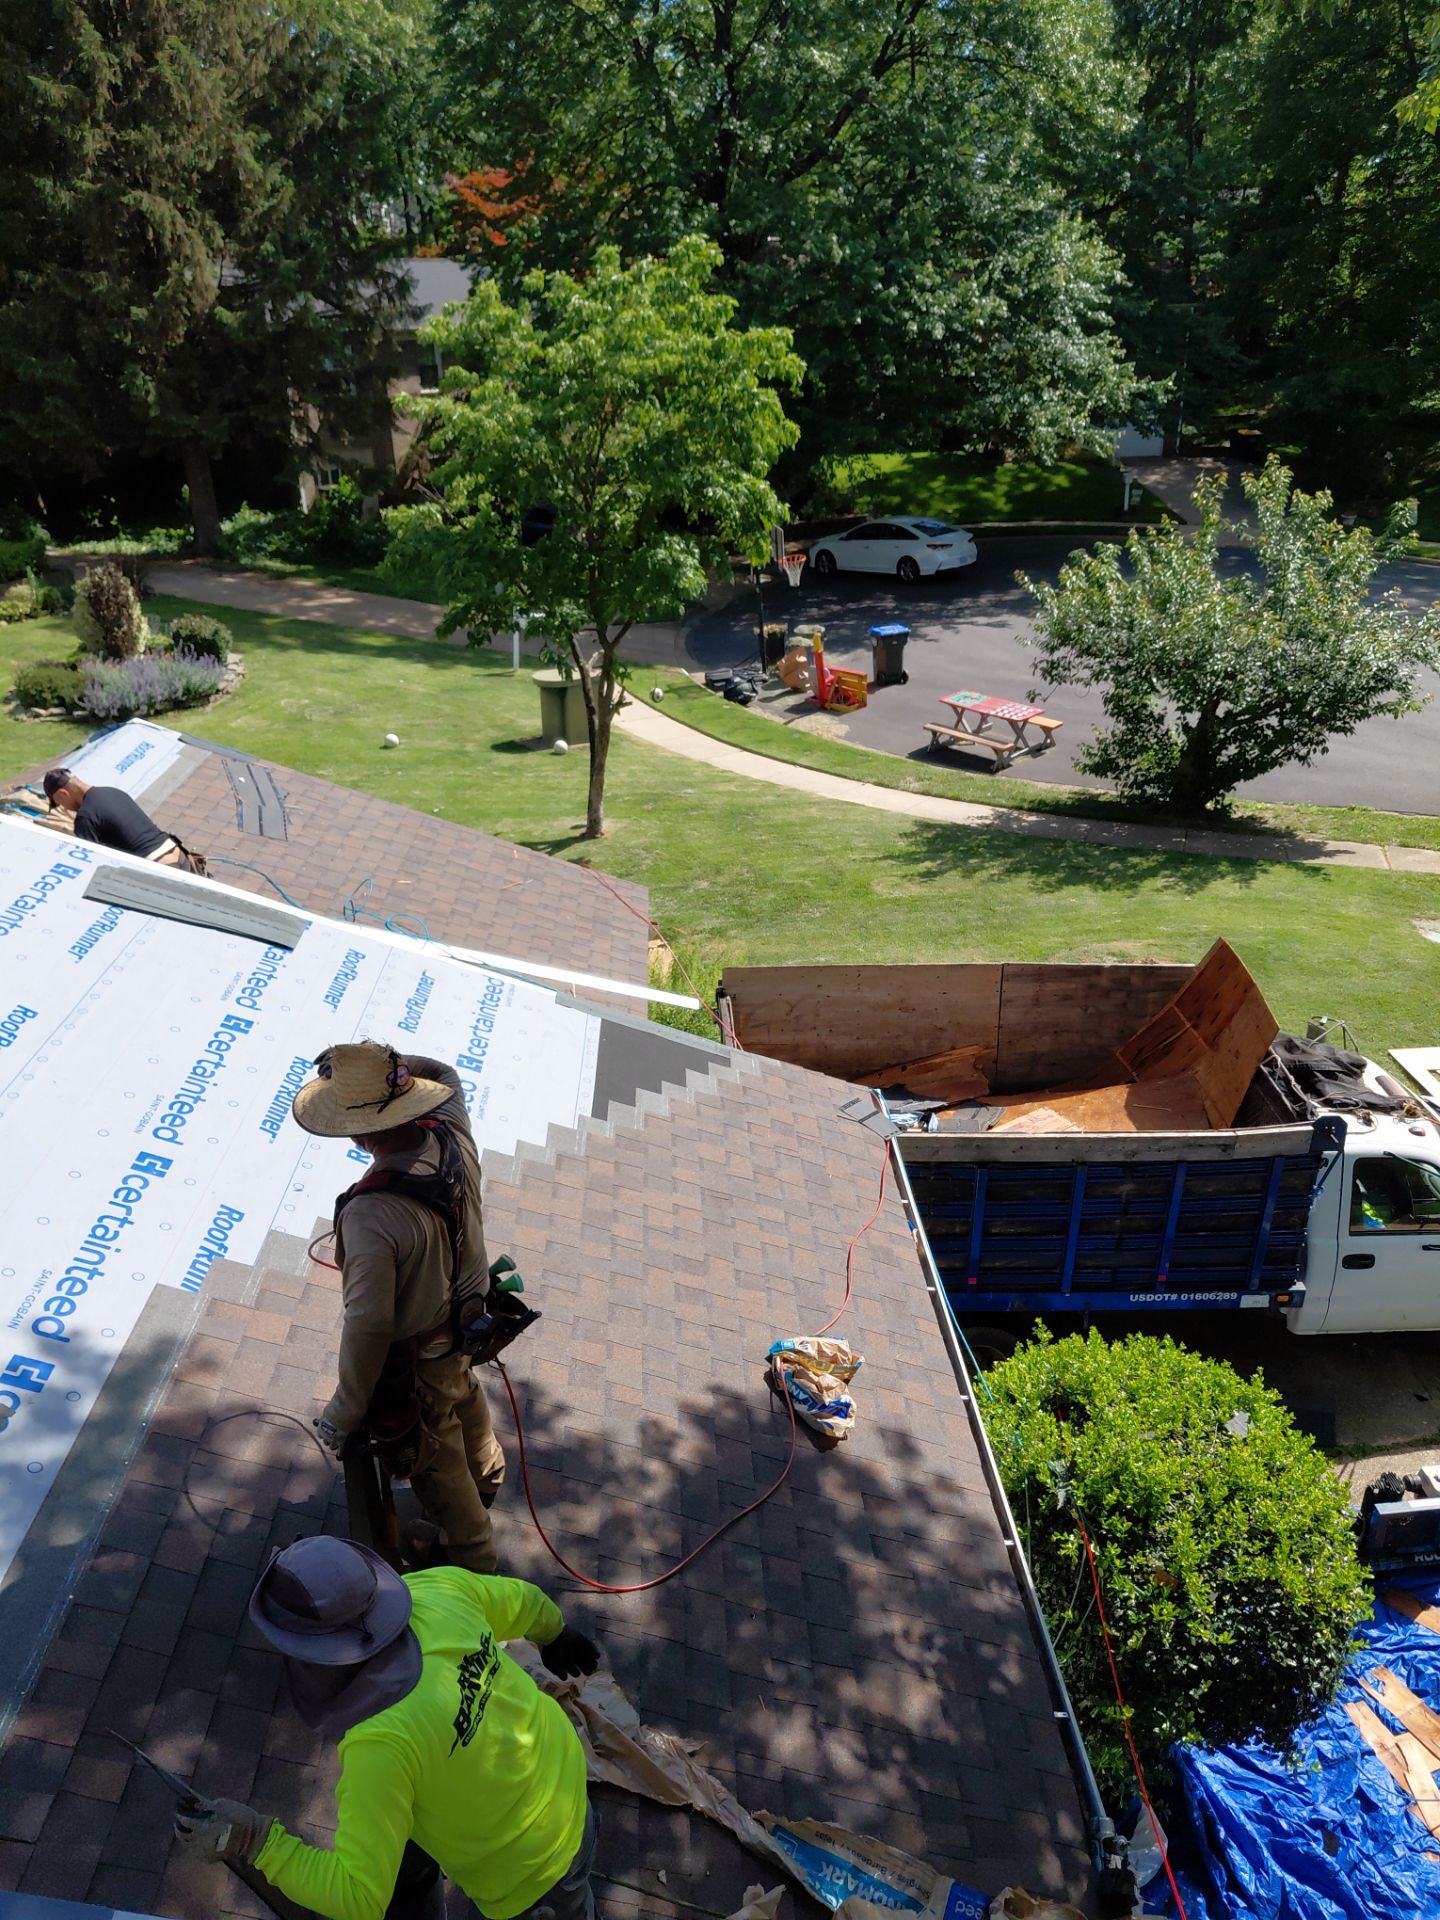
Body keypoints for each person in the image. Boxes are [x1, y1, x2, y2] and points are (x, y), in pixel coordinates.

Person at [174, 1535, 601, 1920]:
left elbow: (357, 1898)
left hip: (532, 1873)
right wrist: (556, 1634)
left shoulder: (379, 1746)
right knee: (403, 1854)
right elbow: (524, 1601)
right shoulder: (436, 1590)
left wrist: (257, 1841)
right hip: (562, 1769)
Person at [292, 1041, 505, 1572]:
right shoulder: (450, 1130)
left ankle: (475, 1561)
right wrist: (385, 1071)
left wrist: (344, 1412)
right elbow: (446, 1072)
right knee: (463, 1393)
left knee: (437, 1457)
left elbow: (369, 1323)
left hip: (425, 1354)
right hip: (472, 1322)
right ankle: (489, 1476)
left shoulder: (371, 1214)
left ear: (357, 1133)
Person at [42, 767, 205, 871]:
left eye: (59, 803)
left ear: (63, 794)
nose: (64, 808)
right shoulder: (113, 791)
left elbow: (91, 863)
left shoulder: (85, 817)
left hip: (159, 868)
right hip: (179, 855)